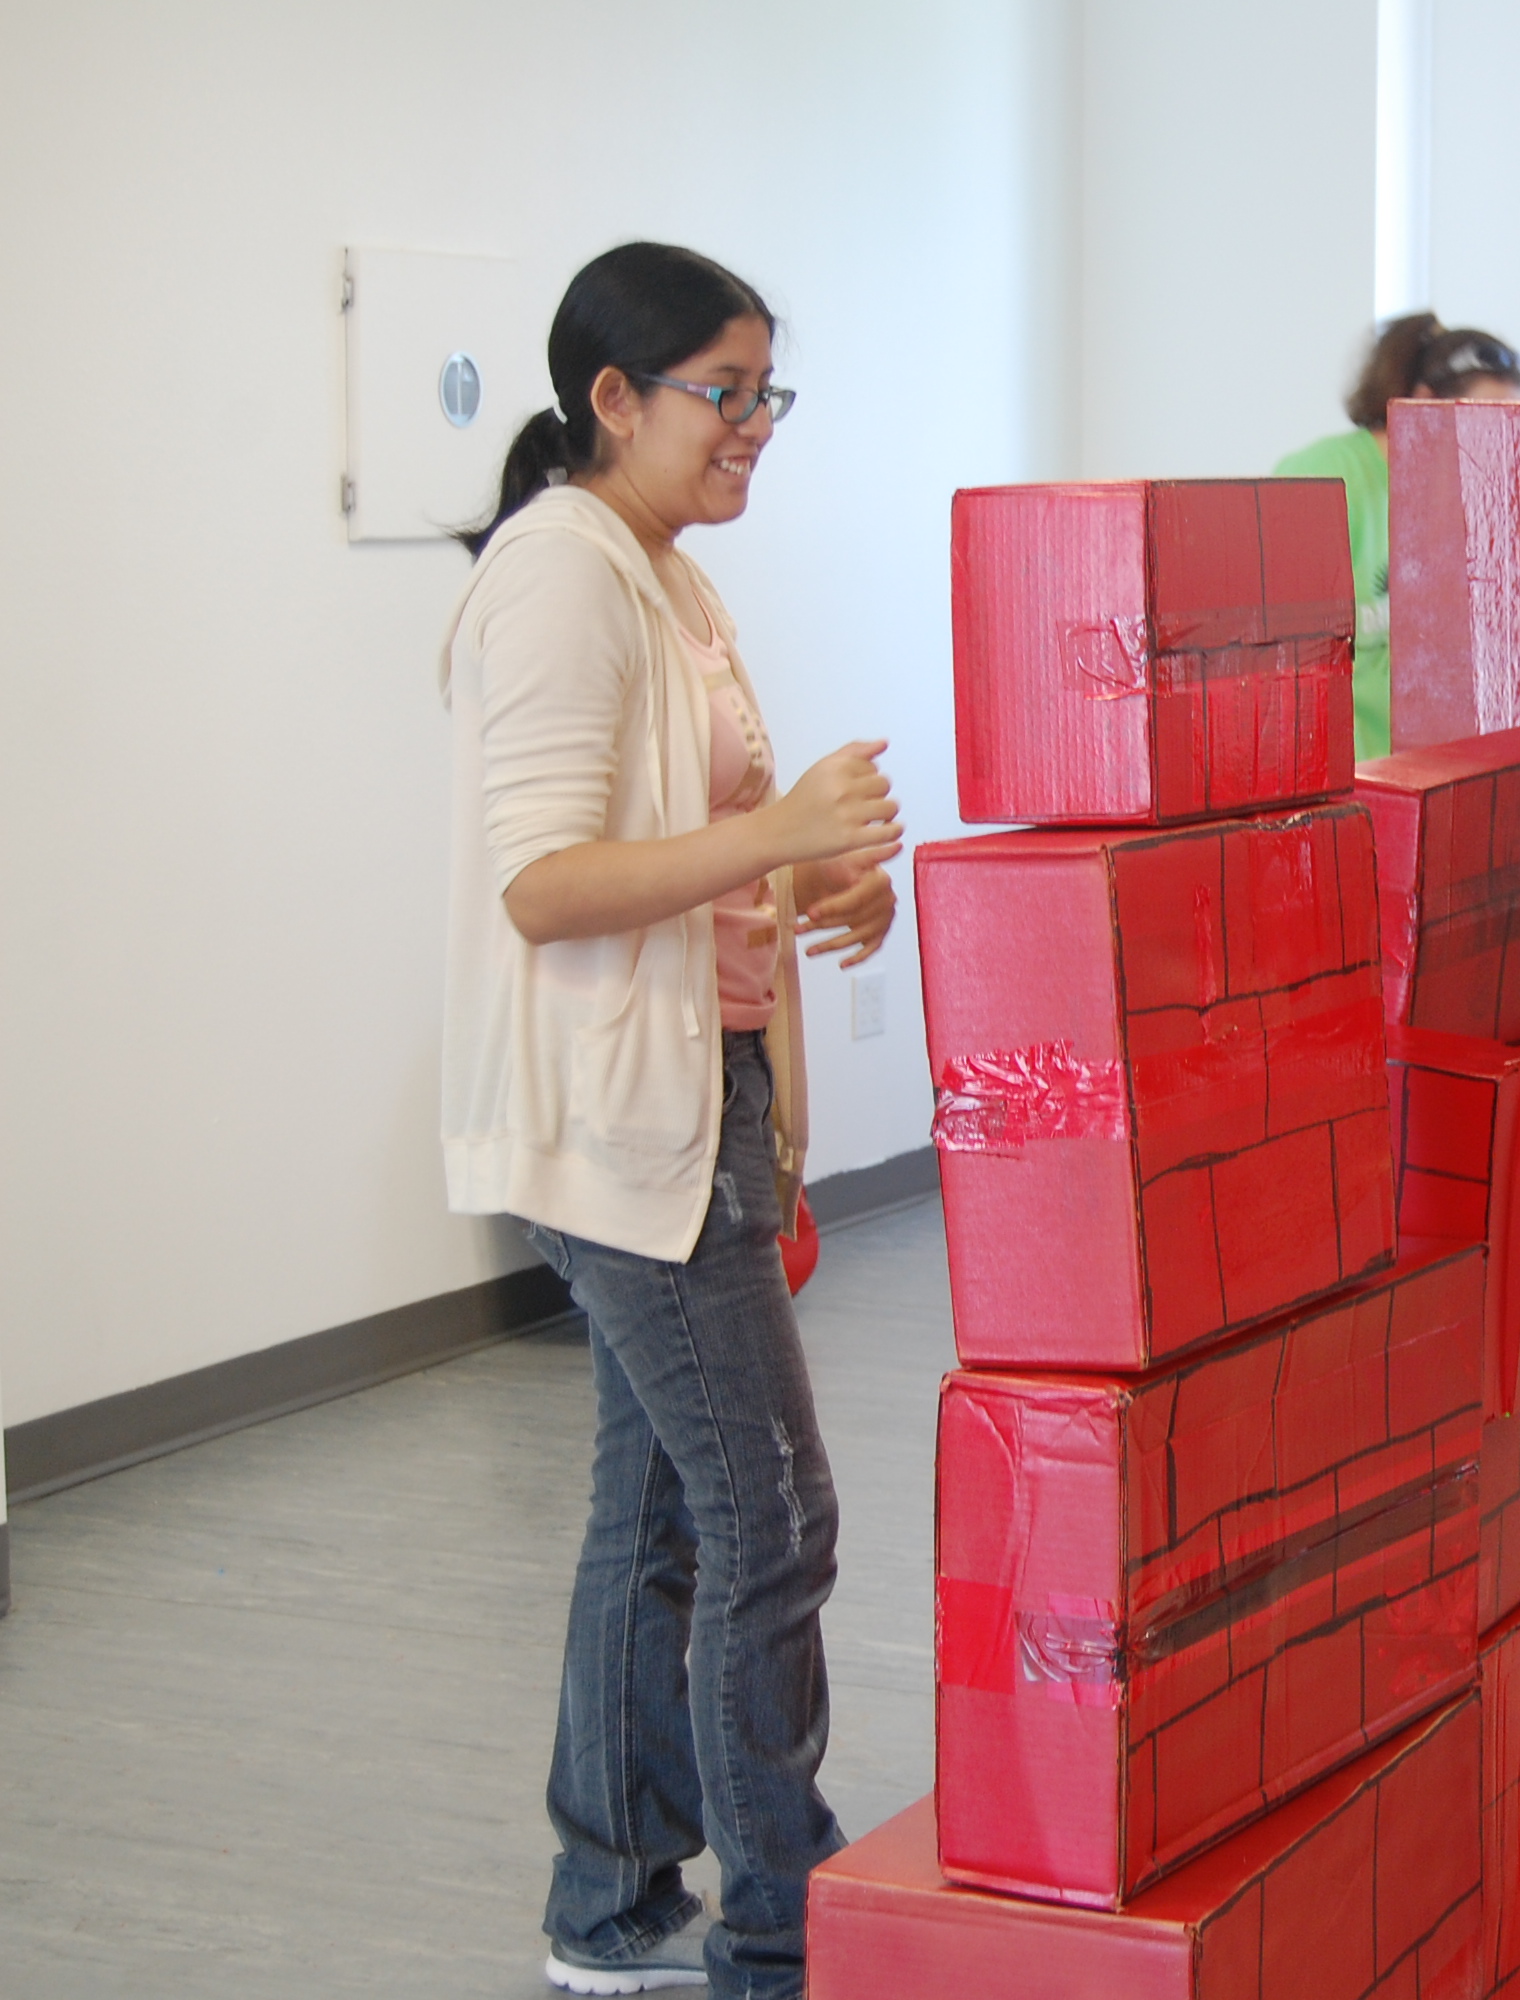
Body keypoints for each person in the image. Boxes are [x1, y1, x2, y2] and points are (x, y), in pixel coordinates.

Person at [440, 243, 903, 1999]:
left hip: (696, 1092)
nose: (754, 428)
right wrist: (773, 839)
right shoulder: (558, 576)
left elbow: (695, 853)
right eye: (724, 392)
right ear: (613, 400)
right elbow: (547, 887)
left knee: (659, 1518)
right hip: (615, 1118)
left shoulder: (671, 578)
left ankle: (612, 1907)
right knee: (770, 1515)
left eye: (768, 391)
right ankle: (781, 1937)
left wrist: (813, 890)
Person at [1274, 313, 1520, 758]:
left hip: (1437, 773)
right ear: (1422, 405)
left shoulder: (1475, 498)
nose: (1497, 441)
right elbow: (1284, 663)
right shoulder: (1323, 476)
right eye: (1484, 419)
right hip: (1344, 779)